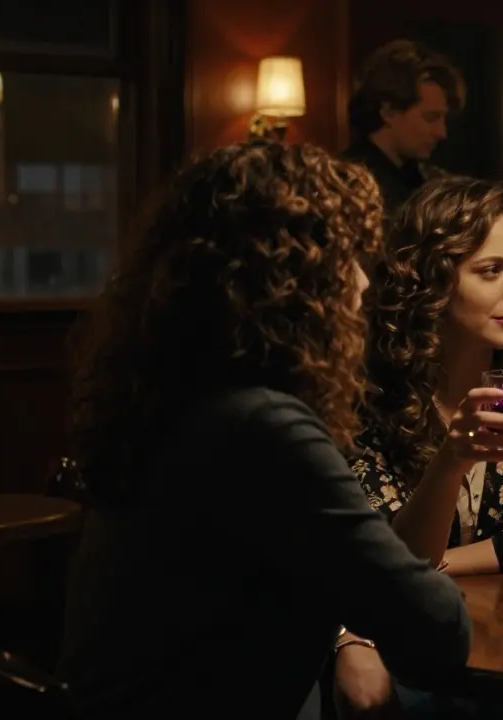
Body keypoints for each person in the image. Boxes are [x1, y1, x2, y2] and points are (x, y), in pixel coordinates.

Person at [58, 142, 471, 720]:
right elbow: (435, 631)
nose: (360, 283)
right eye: (347, 257)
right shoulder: (262, 427)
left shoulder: (168, 398)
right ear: (295, 282)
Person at [338, 176, 503, 717]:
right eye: (491, 271)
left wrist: (423, 571)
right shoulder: (371, 384)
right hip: (404, 635)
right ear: (432, 281)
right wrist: (452, 459)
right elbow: (390, 555)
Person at [341, 39, 464, 213]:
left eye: (443, 119)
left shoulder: (430, 182)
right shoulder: (345, 187)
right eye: (430, 118)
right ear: (389, 111)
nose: (441, 132)